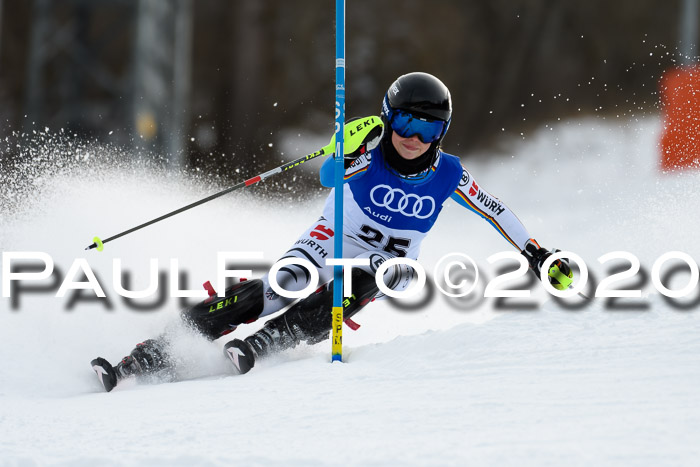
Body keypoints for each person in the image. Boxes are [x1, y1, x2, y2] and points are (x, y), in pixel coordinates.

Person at [91, 72, 573, 392]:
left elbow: (495, 209)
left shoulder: (448, 172)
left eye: (428, 129)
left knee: (372, 278)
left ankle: (270, 341)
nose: (413, 137)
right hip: (331, 237)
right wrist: (345, 150)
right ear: (389, 116)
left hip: (391, 262)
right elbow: (327, 178)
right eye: (405, 121)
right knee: (282, 285)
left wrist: (536, 253)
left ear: (441, 134)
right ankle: (151, 354)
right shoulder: (371, 145)